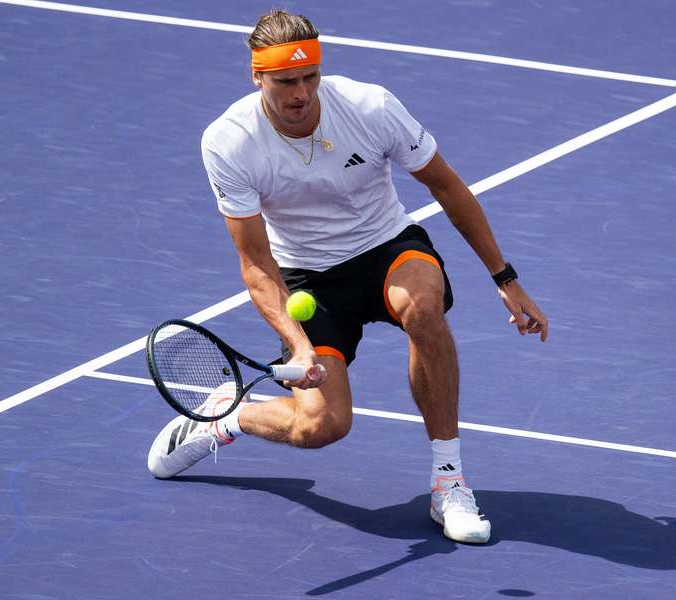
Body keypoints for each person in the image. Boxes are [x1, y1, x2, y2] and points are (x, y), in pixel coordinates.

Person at [147, 9, 548, 544]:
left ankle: (448, 482)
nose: (301, 93)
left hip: (386, 247)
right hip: (307, 280)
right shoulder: (228, 141)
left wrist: (505, 277)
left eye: (310, 77)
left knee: (421, 306)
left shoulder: (370, 106)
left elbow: (447, 187)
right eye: (286, 81)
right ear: (257, 76)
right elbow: (256, 264)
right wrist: (297, 346)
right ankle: (227, 416)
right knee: (322, 427)